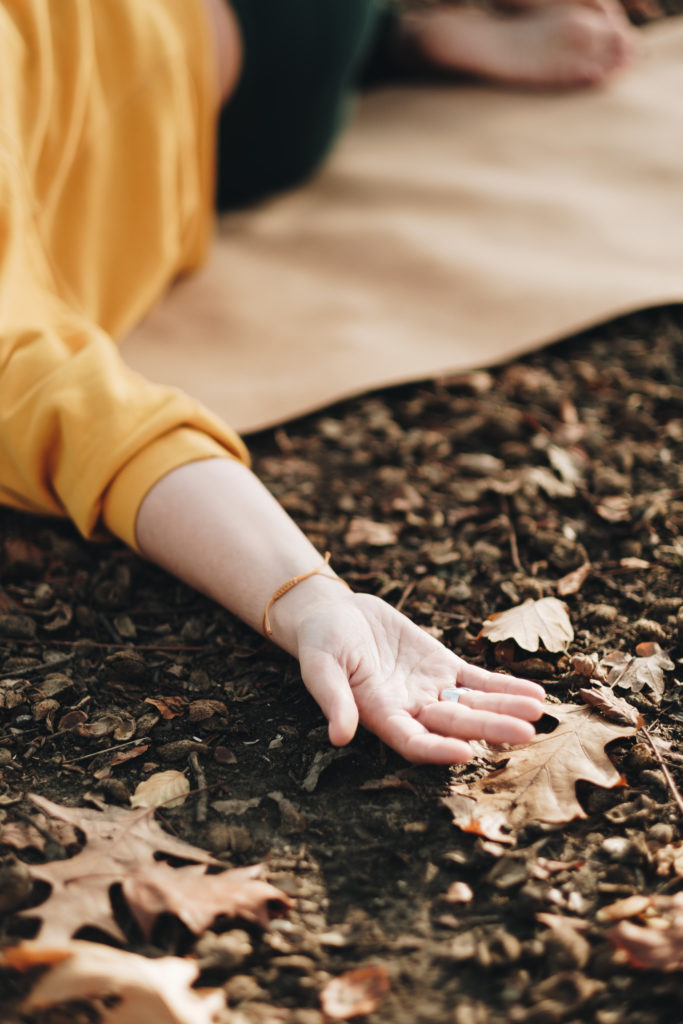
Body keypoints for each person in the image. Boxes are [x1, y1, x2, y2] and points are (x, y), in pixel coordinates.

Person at [0, 0, 636, 763]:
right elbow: (111, 432)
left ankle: (401, 37)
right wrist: (309, 597)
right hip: (237, 72)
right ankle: (402, 38)